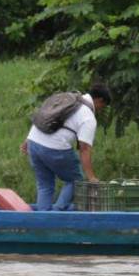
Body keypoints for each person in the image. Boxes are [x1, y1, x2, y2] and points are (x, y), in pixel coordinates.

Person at [21, 83, 112, 211]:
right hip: (54, 147)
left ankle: (42, 220)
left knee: (45, 185)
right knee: (76, 181)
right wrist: (91, 177)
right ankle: (57, 212)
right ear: (100, 100)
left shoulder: (67, 98)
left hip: (33, 142)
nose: (101, 110)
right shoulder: (88, 117)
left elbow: (44, 116)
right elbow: (84, 149)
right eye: (103, 106)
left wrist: (27, 140)